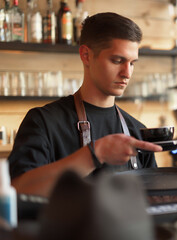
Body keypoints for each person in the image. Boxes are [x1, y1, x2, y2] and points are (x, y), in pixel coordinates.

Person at [8, 12, 163, 198]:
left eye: (132, 63)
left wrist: (163, 199)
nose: (127, 73)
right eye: (117, 60)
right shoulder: (43, 121)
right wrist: (94, 154)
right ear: (86, 55)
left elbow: (148, 205)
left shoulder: (137, 131)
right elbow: (18, 188)